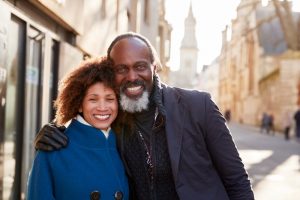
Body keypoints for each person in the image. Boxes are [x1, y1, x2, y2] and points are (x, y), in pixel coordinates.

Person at [34, 32, 254, 199]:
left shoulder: (198, 105)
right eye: (121, 69)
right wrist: (53, 131)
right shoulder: (113, 117)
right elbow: (87, 130)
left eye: (140, 66)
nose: (132, 76)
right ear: (112, 73)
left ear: (154, 67)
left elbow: (237, 181)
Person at [27, 57, 129, 200]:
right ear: (79, 104)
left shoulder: (124, 146)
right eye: (93, 99)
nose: (102, 107)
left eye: (110, 99)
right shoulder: (52, 150)